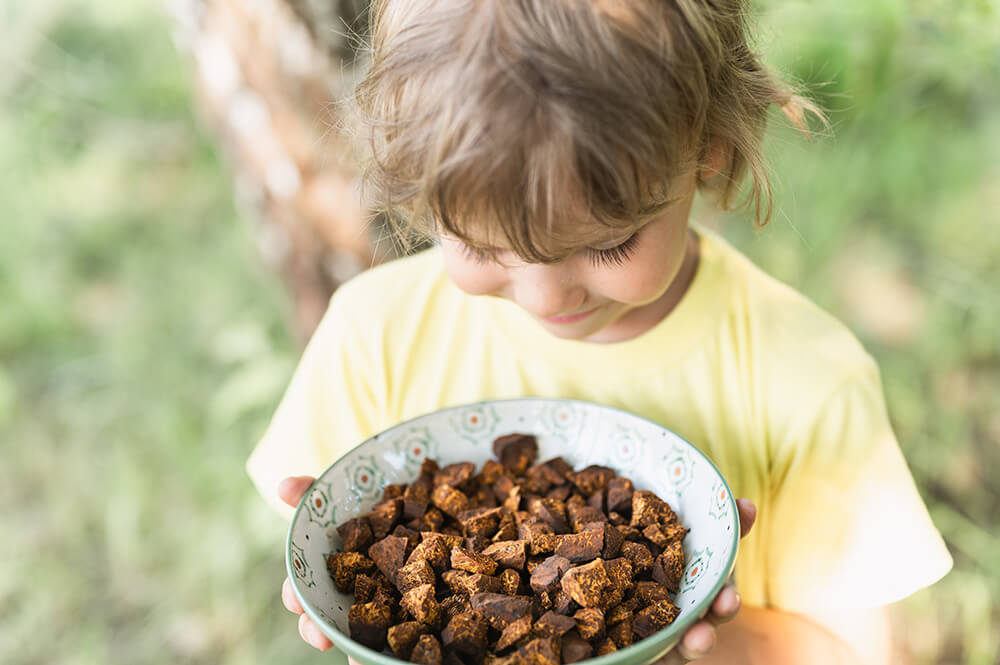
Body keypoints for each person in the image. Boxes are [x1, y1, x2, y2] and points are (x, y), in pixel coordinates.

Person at [249, 1, 952, 663]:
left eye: (609, 243)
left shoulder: (807, 379)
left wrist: (690, 645)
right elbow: (342, 563)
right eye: (482, 243)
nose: (545, 292)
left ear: (705, 148)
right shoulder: (373, 335)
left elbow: (854, 651)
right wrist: (334, 554)